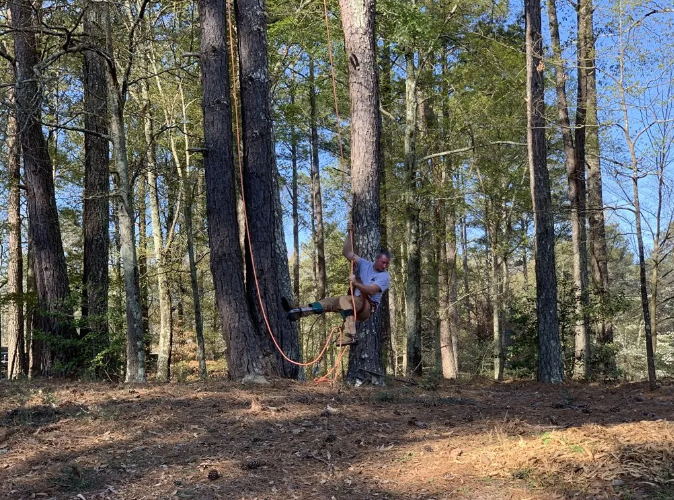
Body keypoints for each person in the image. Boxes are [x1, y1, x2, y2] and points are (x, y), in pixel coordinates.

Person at [282, 222, 391, 345]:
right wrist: (350, 234)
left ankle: (349, 334)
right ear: (376, 259)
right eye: (383, 262)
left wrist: (356, 282)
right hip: (354, 301)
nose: (385, 266)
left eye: (387, 264)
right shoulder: (364, 264)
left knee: (344, 300)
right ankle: (298, 311)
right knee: (327, 302)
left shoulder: (384, 276)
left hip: (366, 306)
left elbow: (371, 290)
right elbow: (347, 252)